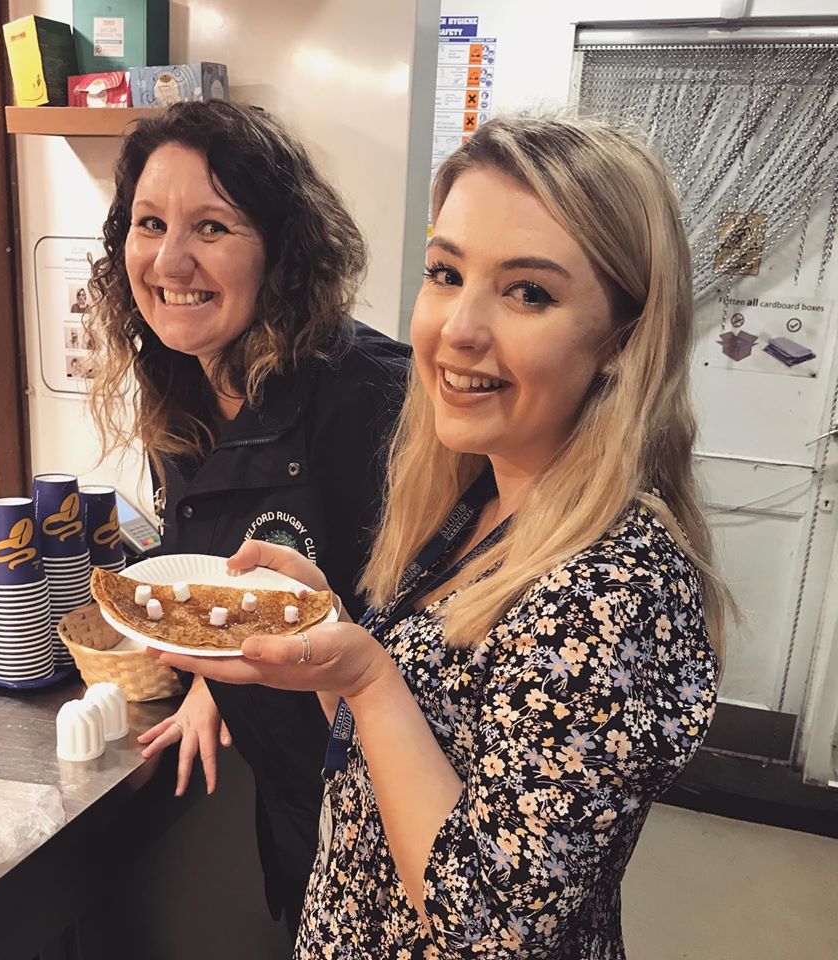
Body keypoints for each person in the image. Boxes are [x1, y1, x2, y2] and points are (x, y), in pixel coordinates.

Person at [155, 114, 731, 959]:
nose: (458, 328)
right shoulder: (477, 506)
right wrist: (324, 643)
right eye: (445, 272)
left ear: (621, 338)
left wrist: (369, 675)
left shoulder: (618, 590)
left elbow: (485, 928)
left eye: (528, 291)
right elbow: (407, 759)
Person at [85, 100, 409, 937]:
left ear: (282, 250)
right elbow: (218, 573)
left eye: (213, 227)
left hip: (399, 823)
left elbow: (418, 639)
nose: (169, 258)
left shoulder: (371, 395)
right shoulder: (184, 388)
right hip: (298, 808)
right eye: (149, 222)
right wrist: (206, 679)